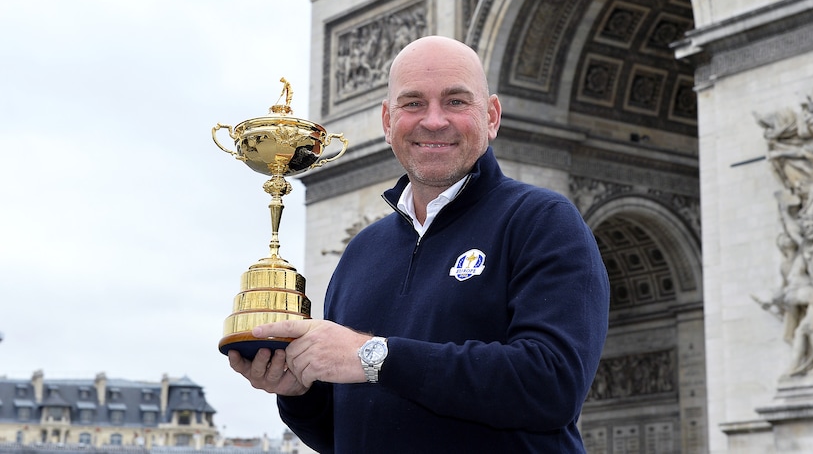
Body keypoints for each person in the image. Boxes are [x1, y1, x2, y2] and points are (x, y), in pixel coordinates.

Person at [228, 35, 611, 453]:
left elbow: (552, 385)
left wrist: (373, 356)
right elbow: (348, 433)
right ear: (388, 121)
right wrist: (298, 393)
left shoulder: (542, 221)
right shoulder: (360, 252)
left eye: (456, 101)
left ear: (492, 116)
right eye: (413, 103)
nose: (433, 120)